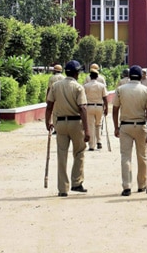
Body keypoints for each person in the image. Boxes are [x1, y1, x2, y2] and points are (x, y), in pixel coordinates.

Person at [44, 60, 90, 197]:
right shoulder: (78, 88)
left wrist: (48, 121)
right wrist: (87, 130)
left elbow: (49, 105)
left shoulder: (56, 86)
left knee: (61, 154)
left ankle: (63, 188)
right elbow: (82, 108)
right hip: (76, 123)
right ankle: (76, 182)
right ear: (76, 73)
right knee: (79, 152)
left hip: (61, 124)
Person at [112, 65, 147, 196]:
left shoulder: (120, 90)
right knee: (142, 157)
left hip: (125, 126)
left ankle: (127, 186)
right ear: (141, 76)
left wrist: (116, 127)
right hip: (141, 125)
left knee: (126, 157)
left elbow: (115, 110)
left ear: (129, 76)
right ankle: (142, 185)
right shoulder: (146, 91)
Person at [84, 68, 108, 151]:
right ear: (97, 76)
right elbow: (105, 98)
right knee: (98, 124)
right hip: (99, 107)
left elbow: (83, 98)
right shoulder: (101, 86)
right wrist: (106, 108)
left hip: (89, 106)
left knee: (90, 126)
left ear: (90, 76)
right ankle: (99, 142)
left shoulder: (86, 86)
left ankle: (91, 145)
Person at [47, 64, 65, 135]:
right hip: (62, 97)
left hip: (53, 97)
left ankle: (56, 128)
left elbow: (49, 88)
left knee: (54, 113)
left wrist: (47, 98)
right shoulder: (64, 78)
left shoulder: (52, 78)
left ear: (55, 71)